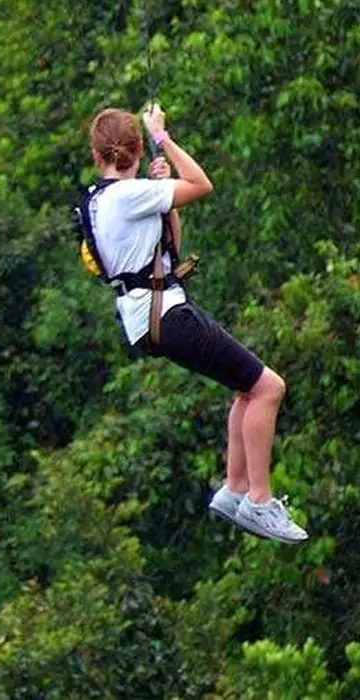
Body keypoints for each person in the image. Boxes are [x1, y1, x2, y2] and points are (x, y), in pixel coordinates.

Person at [78, 103, 305, 543]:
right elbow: (203, 184)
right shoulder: (128, 195)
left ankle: (235, 489)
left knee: (247, 388)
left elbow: (171, 248)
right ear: (139, 149)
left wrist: (165, 195)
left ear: (96, 155)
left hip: (151, 316)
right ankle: (259, 501)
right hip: (168, 315)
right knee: (268, 388)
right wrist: (163, 135)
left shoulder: (104, 200)